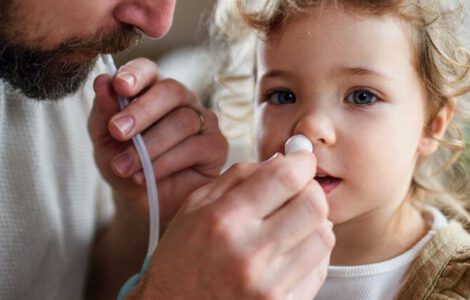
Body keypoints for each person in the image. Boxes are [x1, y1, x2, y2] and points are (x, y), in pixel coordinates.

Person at [0, 0, 335, 299]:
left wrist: (146, 223)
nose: (157, 24)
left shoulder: (50, 60)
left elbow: (59, 285)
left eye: (362, 97)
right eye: (283, 96)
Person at [213, 0, 470, 299]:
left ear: (432, 125)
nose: (310, 128)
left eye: (362, 97)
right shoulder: (224, 257)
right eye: (283, 96)